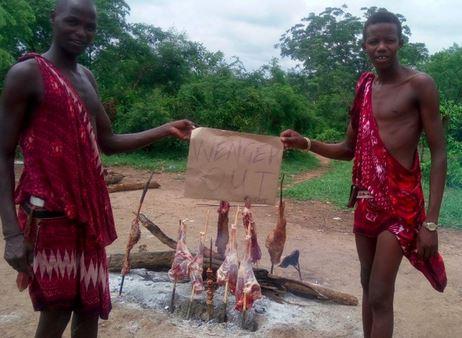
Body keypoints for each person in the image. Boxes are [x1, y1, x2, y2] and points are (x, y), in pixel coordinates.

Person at [0, 0, 194, 337]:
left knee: (90, 310)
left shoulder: (85, 76)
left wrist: (165, 129)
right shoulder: (27, 74)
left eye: (90, 27)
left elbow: (109, 140)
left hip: (87, 219)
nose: (81, 32)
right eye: (72, 22)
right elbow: (2, 154)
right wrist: (12, 234)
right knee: (55, 314)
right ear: (54, 19)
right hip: (50, 217)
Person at [280, 10, 447, 338]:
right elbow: (347, 148)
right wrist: (306, 143)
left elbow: (439, 153)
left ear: (401, 42)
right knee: (368, 289)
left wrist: (431, 223)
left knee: (382, 295)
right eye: (374, 41)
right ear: (364, 45)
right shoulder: (365, 88)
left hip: (402, 209)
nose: (382, 46)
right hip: (367, 203)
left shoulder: (420, 85)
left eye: (389, 39)